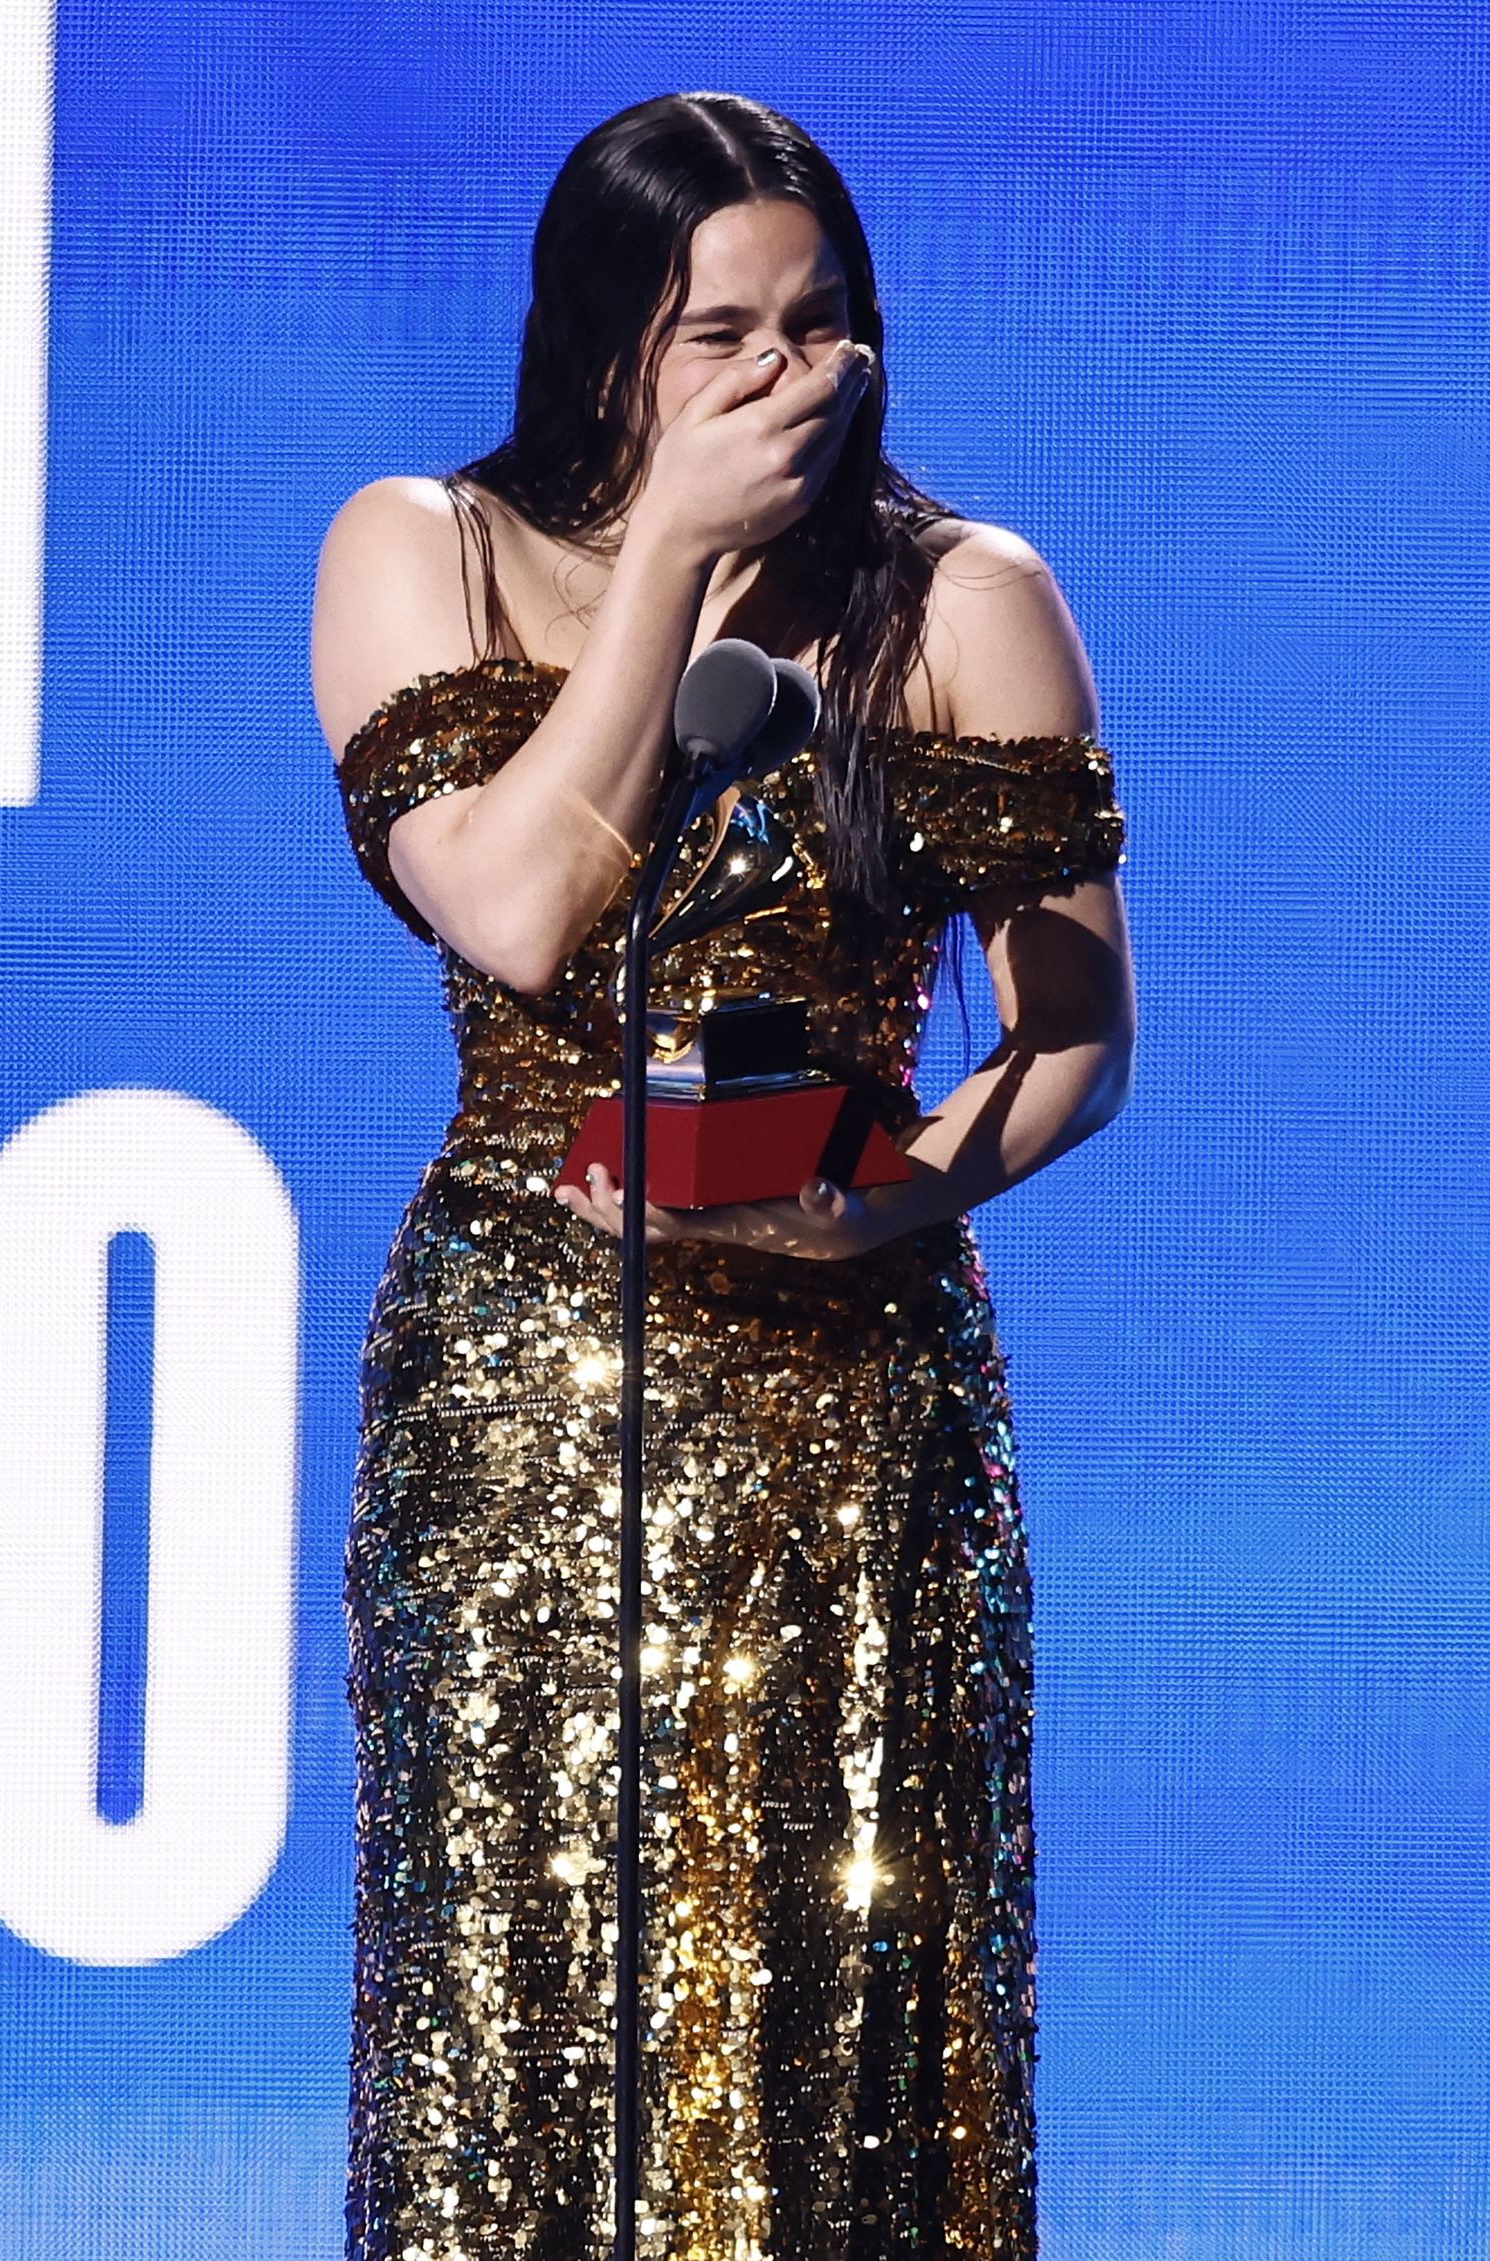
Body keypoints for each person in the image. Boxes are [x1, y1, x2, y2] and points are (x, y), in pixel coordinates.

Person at [311, 89, 1135, 2261]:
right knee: (524, 1988)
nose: (790, 379)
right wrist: (668, 559)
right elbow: (508, 910)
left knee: (836, 1992)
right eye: (721, 337)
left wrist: (891, 1200)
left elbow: (1075, 1037)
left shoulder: (961, 594)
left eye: (823, 324)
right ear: (606, 353)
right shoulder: (425, 550)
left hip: (855, 1396)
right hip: (519, 1404)